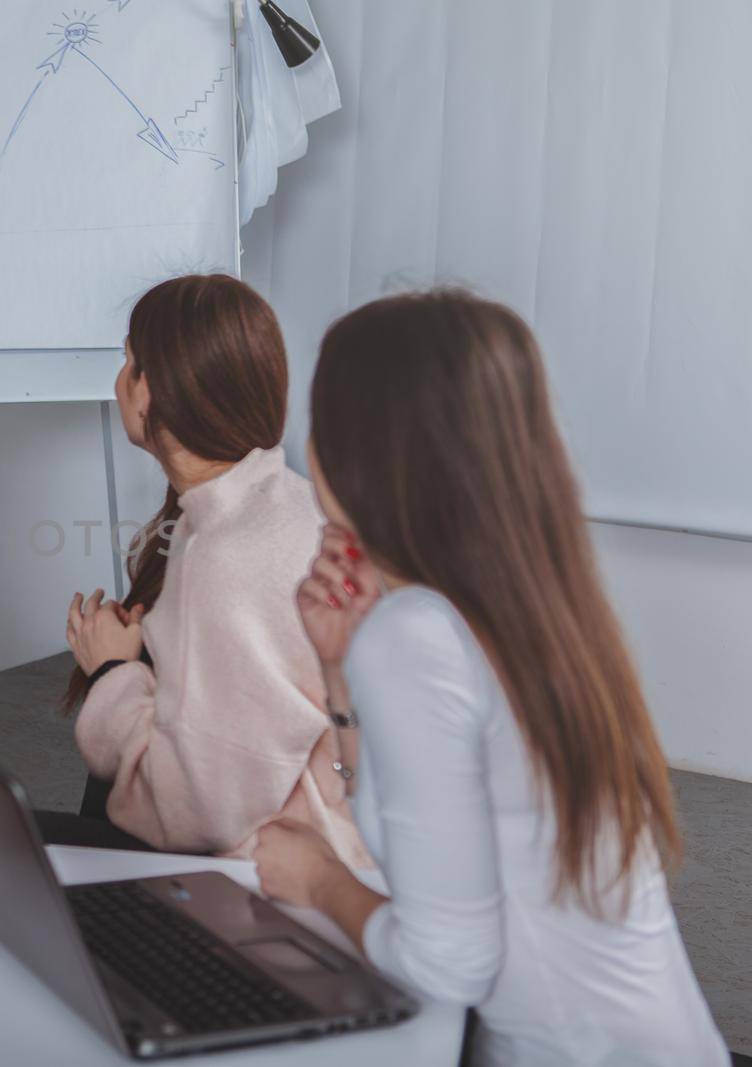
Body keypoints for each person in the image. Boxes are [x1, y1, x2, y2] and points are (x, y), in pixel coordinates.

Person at [253, 291, 727, 1065]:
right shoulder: (537, 605)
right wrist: (338, 672)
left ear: (370, 451)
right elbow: (423, 843)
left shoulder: (415, 635)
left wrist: (316, 881)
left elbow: (447, 961)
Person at [58, 275, 366, 865]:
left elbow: (198, 816)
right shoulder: (279, 501)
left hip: (272, 878)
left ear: (153, 392)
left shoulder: (228, 555)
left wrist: (111, 674)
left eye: (129, 363)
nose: (120, 381)